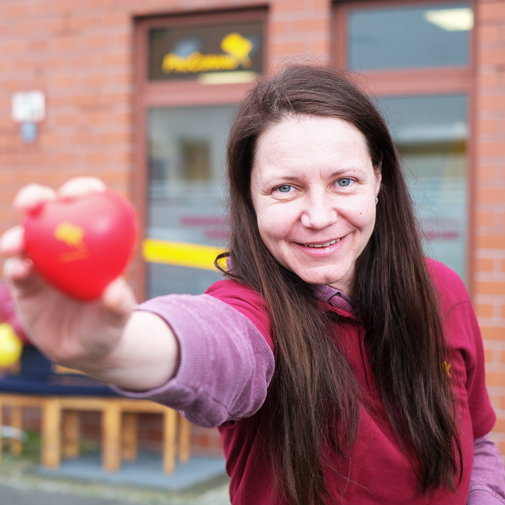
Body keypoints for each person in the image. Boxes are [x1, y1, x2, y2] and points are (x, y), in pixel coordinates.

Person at [1, 64, 504, 505]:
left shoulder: (442, 291)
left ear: (379, 180)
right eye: (286, 188)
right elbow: (213, 345)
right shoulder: (251, 312)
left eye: (343, 182)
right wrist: (113, 345)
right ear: (251, 199)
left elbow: (479, 440)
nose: (319, 215)